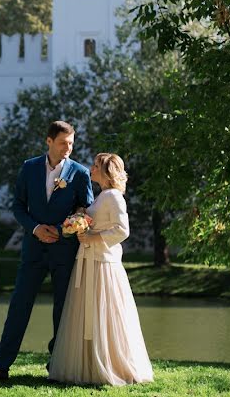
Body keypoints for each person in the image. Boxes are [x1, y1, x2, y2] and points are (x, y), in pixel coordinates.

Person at [0, 121, 93, 382]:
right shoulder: (29, 167)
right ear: (48, 141)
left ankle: (57, 366)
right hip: (33, 250)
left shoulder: (80, 173)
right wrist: (35, 228)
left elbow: (85, 209)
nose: (68, 148)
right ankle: (0, 366)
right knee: (19, 306)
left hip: (65, 252)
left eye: (71, 143)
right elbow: (17, 207)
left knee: (63, 310)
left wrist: (62, 228)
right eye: (62, 143)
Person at [47, 153, 154, 386]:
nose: (91, 168)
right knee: (88, 314)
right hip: (89, 261)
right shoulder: (102, 195)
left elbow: (122, 230)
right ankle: (86, 366)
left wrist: (94, 238)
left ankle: (109, 364)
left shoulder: (114, 196)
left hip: (103, 263)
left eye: (96, 166)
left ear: (106, 171)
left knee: (103, 314)